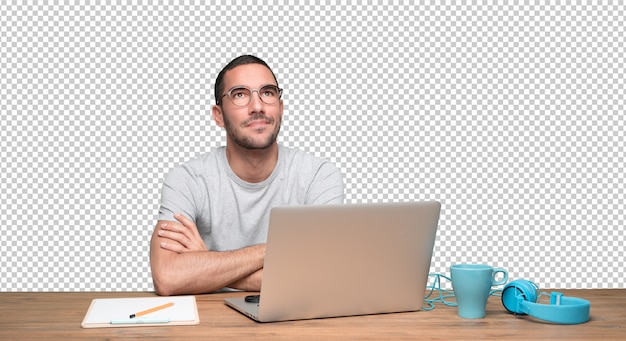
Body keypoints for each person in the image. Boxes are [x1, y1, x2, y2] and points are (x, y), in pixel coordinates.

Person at [149, 55, 345, 296]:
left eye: (268, 93)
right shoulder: (186, 180)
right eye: (240, 94)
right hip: (209, 327)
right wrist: (281, 251)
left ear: (281, 108)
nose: (258, 106)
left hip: (293, 323)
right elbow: (168, 277)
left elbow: (328, 276)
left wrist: (207, 265)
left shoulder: (319, 176)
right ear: (218, 115)